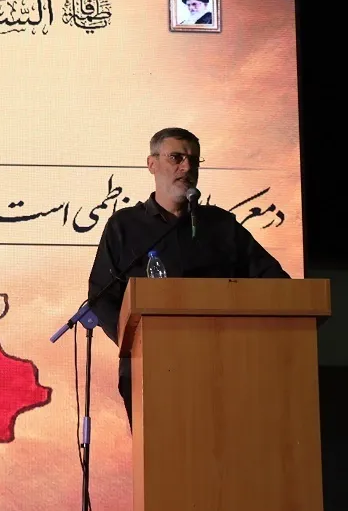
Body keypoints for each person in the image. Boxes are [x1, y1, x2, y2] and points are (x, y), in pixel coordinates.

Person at [87, 128, 289, 426]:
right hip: (148, 368)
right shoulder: (124, 226)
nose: (187, 167)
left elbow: (275, 282)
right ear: (152, 164)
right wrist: (134, 345)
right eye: (176, 157)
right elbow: (102, 297)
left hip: (222, 366)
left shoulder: (220, 225)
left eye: (194, 160)